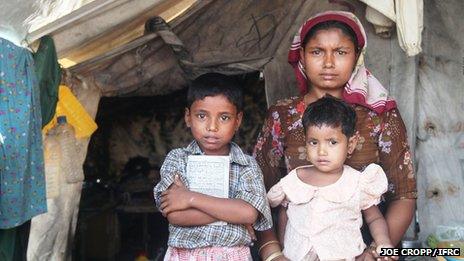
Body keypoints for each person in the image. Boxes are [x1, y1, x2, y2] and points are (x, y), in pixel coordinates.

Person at [253, 11, 417, 261]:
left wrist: (374, 253)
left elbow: (404, 194)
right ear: (303, 57)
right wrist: (273, 253)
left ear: (356, 57)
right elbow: (257, 193)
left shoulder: (380, 116)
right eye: (317, 52)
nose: (328, 62)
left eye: (341, 52)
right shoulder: (282, 115)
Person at [153, 73, 272, 260]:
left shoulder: (247, 165)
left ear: (238, 121)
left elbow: (249, 213)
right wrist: (232, 213)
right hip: (185, 256)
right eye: (202, 116)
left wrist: (190, 198)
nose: (212, 127)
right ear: (188, 117)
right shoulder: (177, 159)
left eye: (224, 118)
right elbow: (175, 215)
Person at [267, 95, 396, 260]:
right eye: (314, 142)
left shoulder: (357, 182)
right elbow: (285, 215)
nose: (322, 151)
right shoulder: (294, 180)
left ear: (351, 144)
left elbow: (374, 218)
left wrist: (383, 242)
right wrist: (283, 250)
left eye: (332, 142)